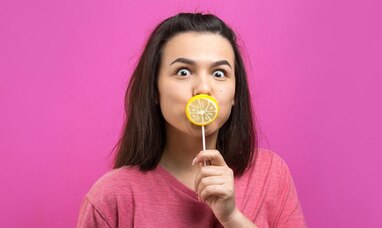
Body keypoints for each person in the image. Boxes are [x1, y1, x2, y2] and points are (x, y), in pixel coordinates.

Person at [77, 13, 306, 228]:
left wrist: (232, 218)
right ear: (154, 90)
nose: (203, 88)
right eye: (184, 72)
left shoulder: (271, 174)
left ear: (235, 93)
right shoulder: (112, 197)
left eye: (219, 74)